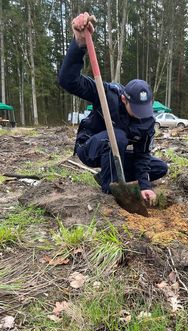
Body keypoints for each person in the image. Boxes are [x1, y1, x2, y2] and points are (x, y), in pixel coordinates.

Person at [58, 13, 167, 206]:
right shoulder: (107, 94)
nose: (140, 115)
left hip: (119, 153)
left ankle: (113, 176)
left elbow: (142, 155)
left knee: (159, 167)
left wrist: (145, 185)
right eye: (136, 109)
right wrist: (79, 43)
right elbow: (68, 81)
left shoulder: (147, 119)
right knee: (118, 136)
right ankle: (110, 186)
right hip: (91, 148)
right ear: (124, 99)